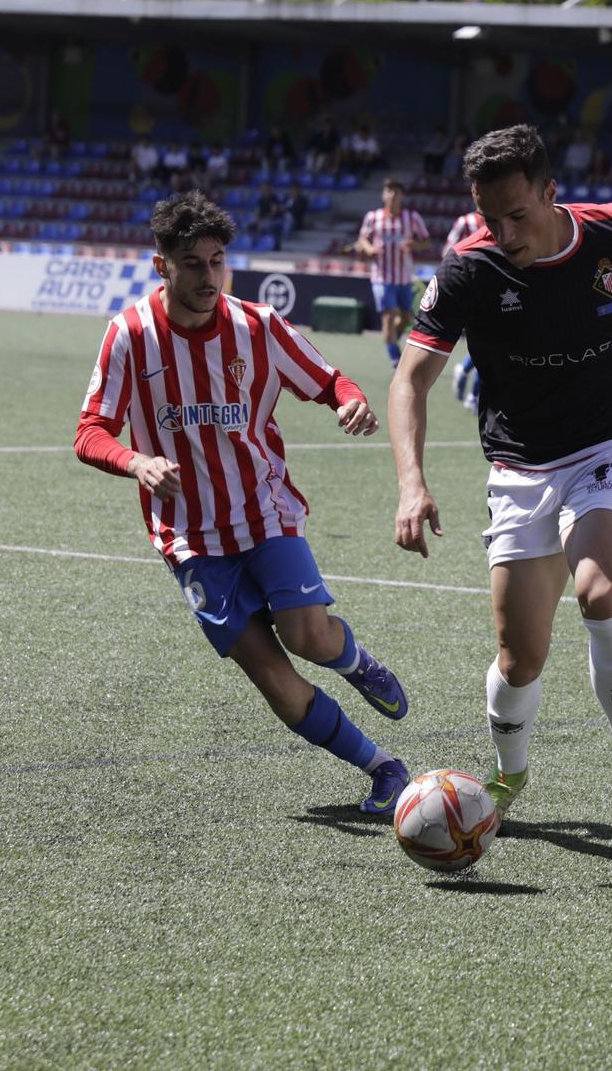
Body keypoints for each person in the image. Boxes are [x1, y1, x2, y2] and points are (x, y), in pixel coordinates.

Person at [387, 124, 612, 848]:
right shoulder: (467, 272)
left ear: (549, 192)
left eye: (517, 213)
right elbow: (409, 379)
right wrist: (411, 483)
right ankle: (509, 774)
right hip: (520, 465)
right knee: (520, 656)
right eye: (489, 217)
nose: (503, 231)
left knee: (600, 590)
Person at [73, 191, 411, 816]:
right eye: (192, 263)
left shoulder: (257, 326)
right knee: (275, 683)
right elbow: (90, 430)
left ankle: (358, 661)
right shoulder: (130, 336)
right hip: (189, 539)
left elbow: (330, 379)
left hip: (264, 510)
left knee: (307, 636)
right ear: (161, 266)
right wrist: (137, 462)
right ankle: (384, 768)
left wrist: (349, 401)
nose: (208, 276)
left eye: (217, 261)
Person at [353, 178, 429, 367]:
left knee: (405, 318)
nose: (393, 194)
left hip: (404, 277)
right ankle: (395, 358)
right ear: (383, 194)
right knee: (388, 316)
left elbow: (426, 242)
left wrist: (414, 244)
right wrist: (369, 248)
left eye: (396, 191)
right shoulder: (373, 217)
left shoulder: (412, 218)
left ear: (402, 195)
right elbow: (362, 239)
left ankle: (391, 341)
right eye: (389, 190)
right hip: (381, 277)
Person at [443, 207, 488, 411]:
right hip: (473, 290)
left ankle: (466, 370)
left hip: (494, 288)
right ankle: (473, 394)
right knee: (490, 345)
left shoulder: (502, 218)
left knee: (489, 344)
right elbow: (447, 252)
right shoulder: (465, 222)